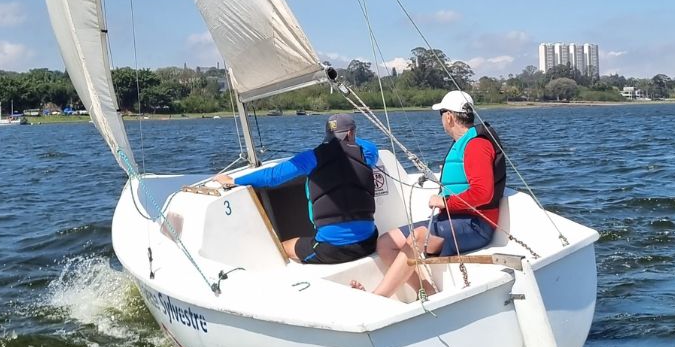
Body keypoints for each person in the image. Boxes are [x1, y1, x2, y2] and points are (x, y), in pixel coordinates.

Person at [367, 89, 505, 298]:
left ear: (449, 116)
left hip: (477, 226)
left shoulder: (477, 145)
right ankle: (427, 290)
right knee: (386, 243)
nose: (441, 119)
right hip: (453, 222)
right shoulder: (462, 144)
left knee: (418, 237)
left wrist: (445, 202)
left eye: (441, 114)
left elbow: (483, 194)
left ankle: (378, 297)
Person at [213, 112, 379, 264]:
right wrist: (348, 138)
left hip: (332, 250)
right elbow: (369, 146)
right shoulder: (367, 154)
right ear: (351, 133)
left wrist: (233, 179)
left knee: (282, 247)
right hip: (369, 242)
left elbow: (272, 177)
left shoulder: (312, 158)